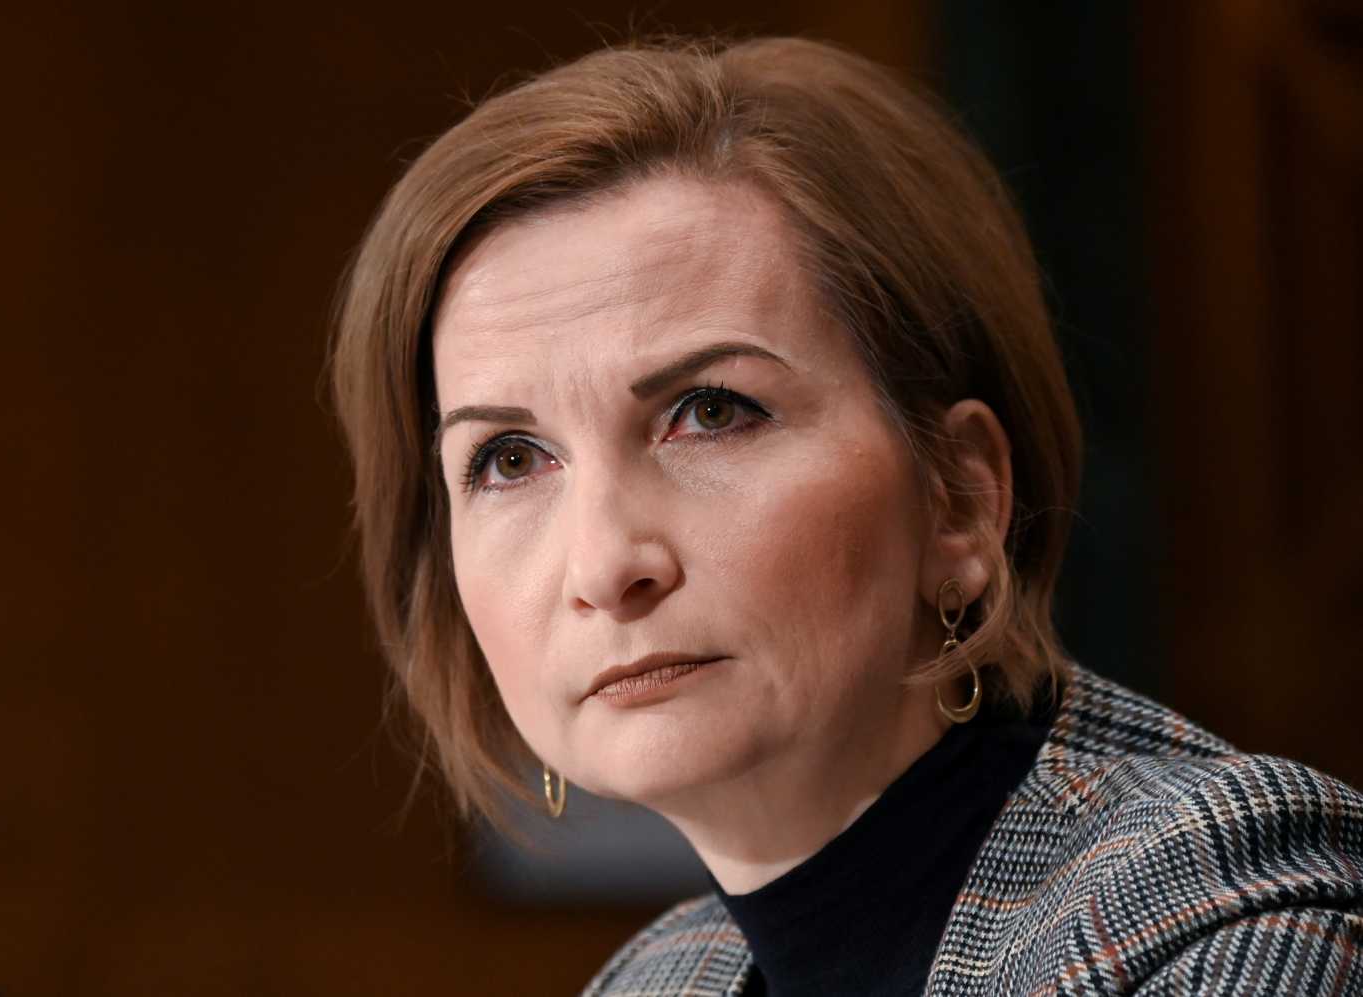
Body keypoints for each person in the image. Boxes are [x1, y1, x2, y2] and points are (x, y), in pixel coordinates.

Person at [329, 35, 1363, 995]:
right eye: (509, 459)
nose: (604, 562)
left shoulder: (1231, 927)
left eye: (711, 411)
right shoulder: (658, 980)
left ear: (957, 496)